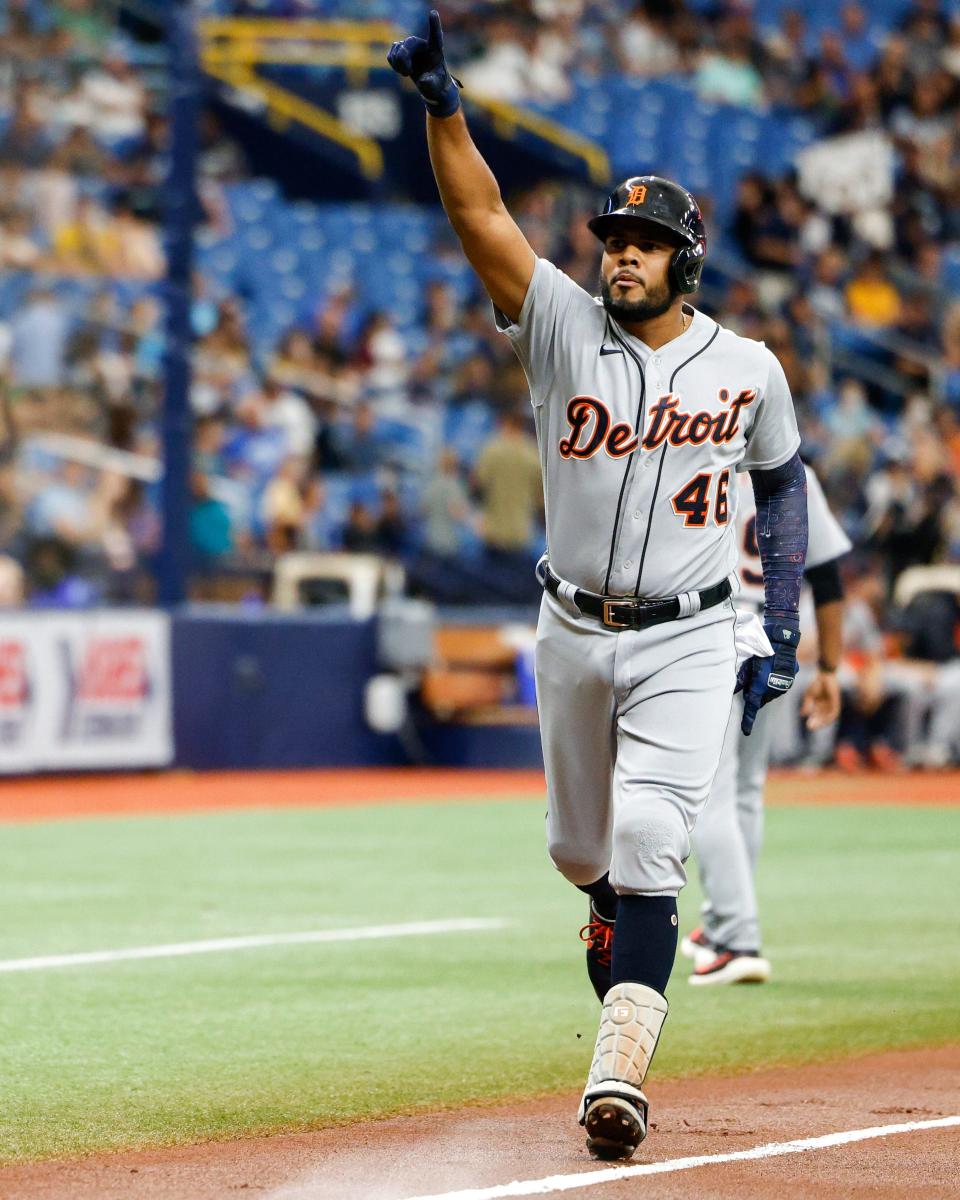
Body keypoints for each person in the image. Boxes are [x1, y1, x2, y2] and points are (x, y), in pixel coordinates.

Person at [389, 12, 807, 1162]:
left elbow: (781, 486)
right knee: (583, 854)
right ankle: (616, 923)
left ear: (686, 259)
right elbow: (480, 214)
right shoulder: (562, 329)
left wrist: (777, 628)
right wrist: (445, 112)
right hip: (570, 629)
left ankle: (614, 1077)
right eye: (612, 237)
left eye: (642, 241)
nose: (619, 252)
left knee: (647, 830)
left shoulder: (747, 369)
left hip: (691, 637)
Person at [683, 467, 851, 984]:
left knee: (711, 793)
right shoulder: (796, 473)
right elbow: (827, 579)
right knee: (745, 793)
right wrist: (829, 669)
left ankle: (737, 938)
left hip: (712, 635)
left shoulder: (696, 454)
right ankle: (722, 923)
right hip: (775, 637)